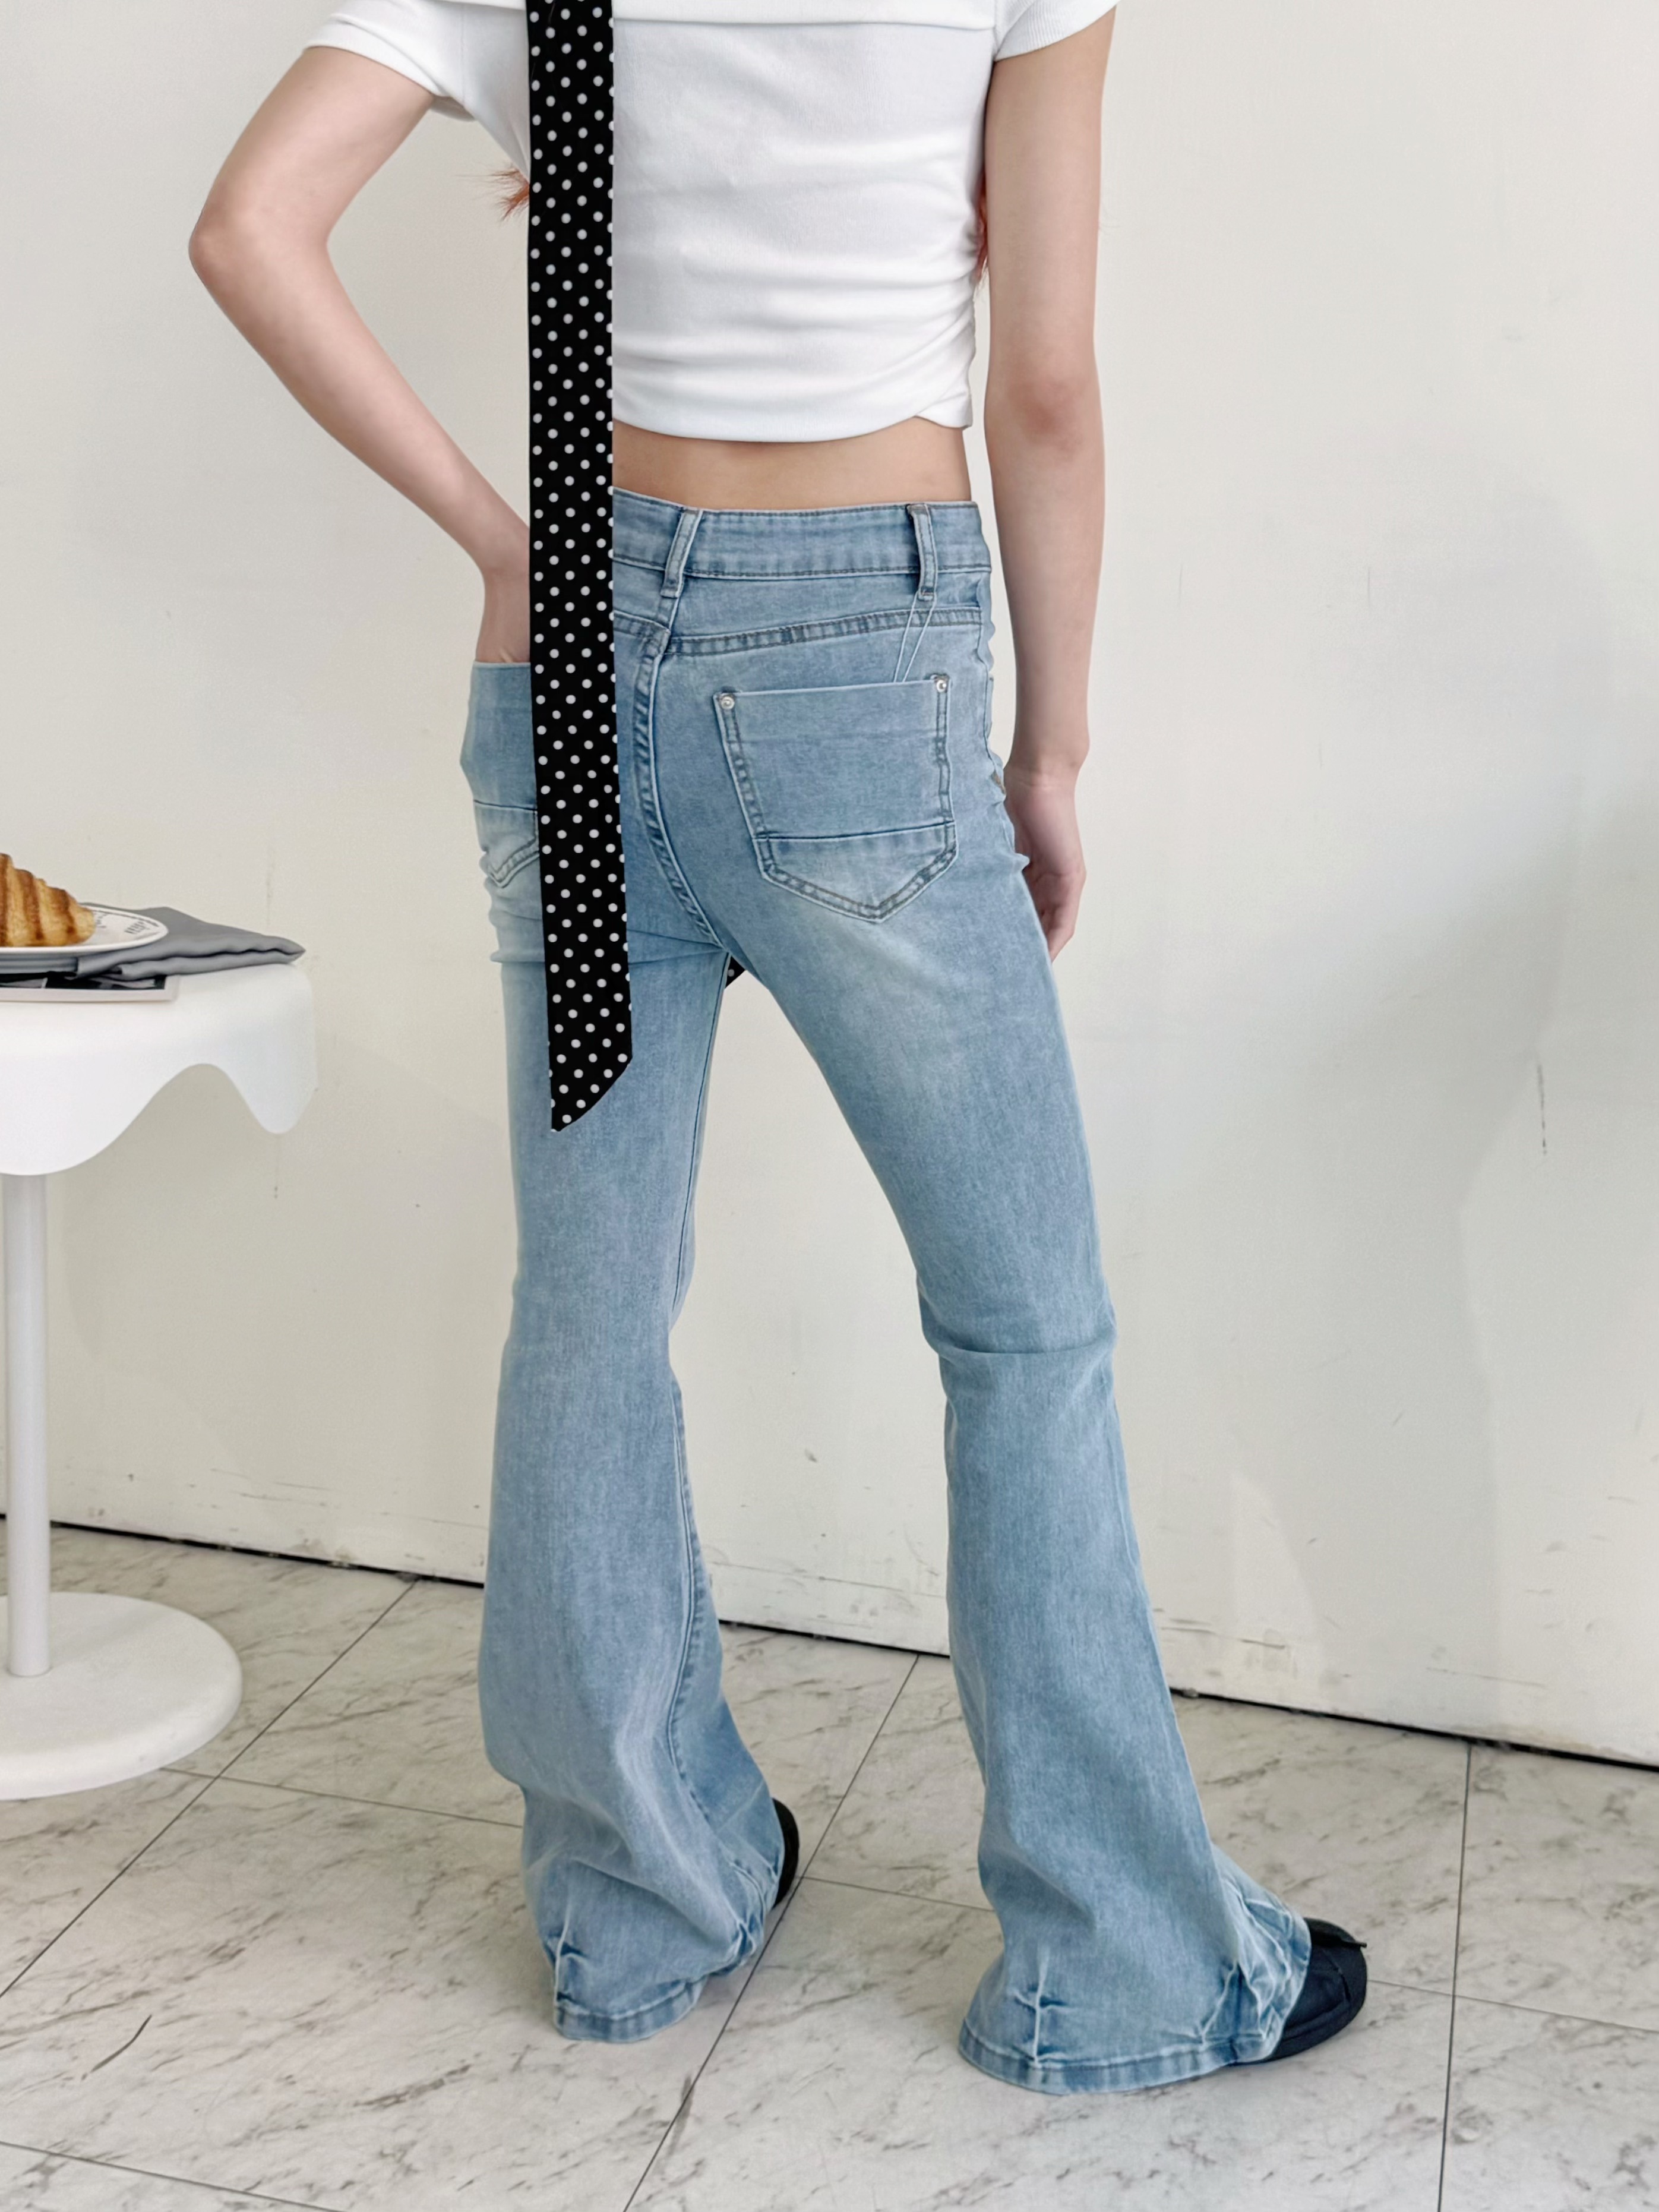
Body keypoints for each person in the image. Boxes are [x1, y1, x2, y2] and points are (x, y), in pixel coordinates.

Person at [188, 0, 1367, 2094]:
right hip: (853, 670)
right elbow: (1046, 384)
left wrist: (504, 540)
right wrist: (1052, 747)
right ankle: (1121, 1964)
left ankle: (640, 1899)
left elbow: (251, 226)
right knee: (1022, 1326)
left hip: (566, 677)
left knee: (592, 1305)